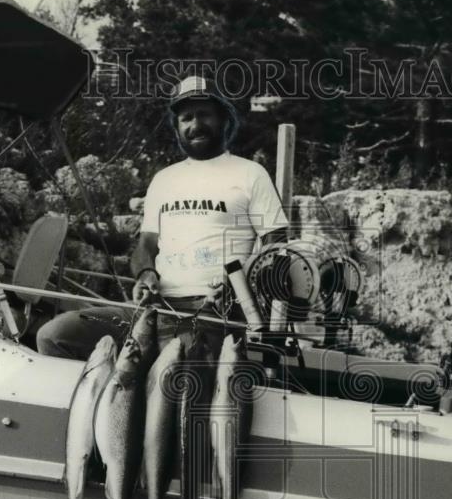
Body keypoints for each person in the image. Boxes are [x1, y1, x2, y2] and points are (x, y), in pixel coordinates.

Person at [36, 74, 289, 359]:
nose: (196, 125)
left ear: (223, 119)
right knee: (55, 336)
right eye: (187, 117)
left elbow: (276, 247)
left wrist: (240, 288)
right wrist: (145, 273)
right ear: (177, 126)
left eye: (204, 114)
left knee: (177, 363)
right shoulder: (163, 179)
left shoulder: (250, 173)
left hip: (214, 312)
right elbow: (145, 247)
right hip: (154, 308)